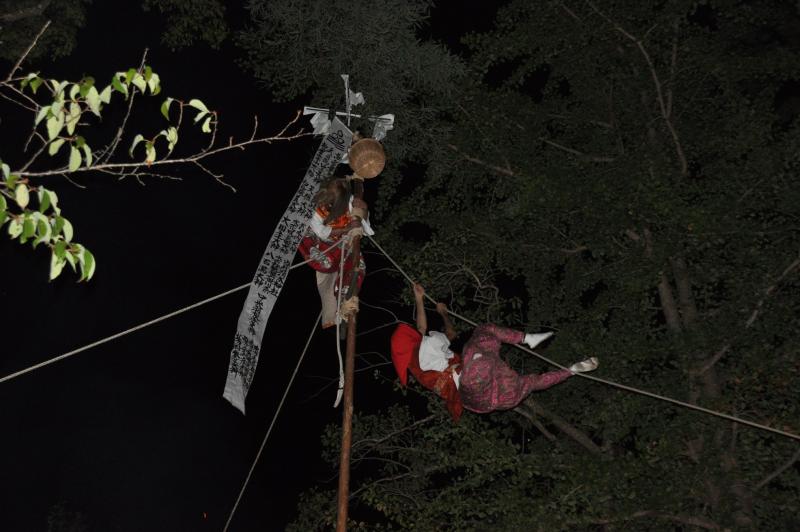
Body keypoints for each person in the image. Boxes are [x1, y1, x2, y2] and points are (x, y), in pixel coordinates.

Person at [391, 284, 598, 420]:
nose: (420, 337)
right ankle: (556, 361)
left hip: (501, 394)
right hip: (476, 387)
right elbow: (423, 330)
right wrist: (422, 303)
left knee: (487, 335)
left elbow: (446, 334)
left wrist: (439, 312)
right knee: (476, 349)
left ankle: (569, 368)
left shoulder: (429, 357)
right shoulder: (420, 361)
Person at [298, 177, 374, 328]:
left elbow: (364, 229)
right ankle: (318, 254)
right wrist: (347, 228)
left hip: (343, 245)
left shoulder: (350, 201)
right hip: (322, 244)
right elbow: (321, 232)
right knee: (304, 231)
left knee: (358, 265)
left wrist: (363, 210)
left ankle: (345, 296)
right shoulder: (313, 206)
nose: (326, 205)